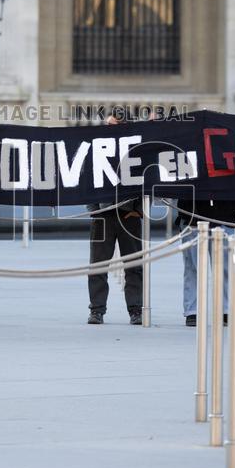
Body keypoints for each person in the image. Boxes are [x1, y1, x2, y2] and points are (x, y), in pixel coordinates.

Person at [86, 113, 144, 326]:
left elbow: (147, 178)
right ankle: (97, 310)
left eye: (115, 125)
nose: (110, 128)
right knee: (98, 265)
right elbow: (86, 179)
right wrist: (94, 211)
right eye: (108, 125)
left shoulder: (136, 150)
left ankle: (136, 309)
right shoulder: (97, 150)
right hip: (103, 215)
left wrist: (137, 210)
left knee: (134, 265)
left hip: (129, 215)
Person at [176, 198, 235, 327]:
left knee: (224, 268)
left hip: (222, 215)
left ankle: (224, 309)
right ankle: (192, 311)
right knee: (193, 267)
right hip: (193, 215)